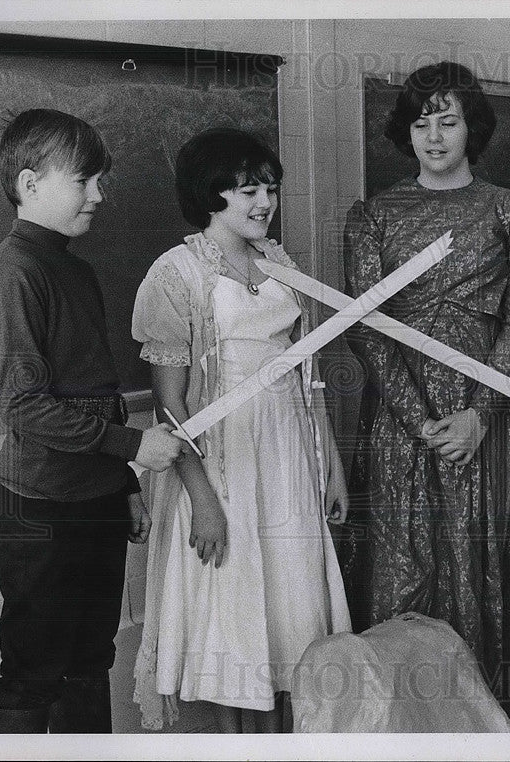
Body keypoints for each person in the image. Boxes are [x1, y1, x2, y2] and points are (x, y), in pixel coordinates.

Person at [340, 61, 510, 726]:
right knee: (405, 553)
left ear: (471, 126)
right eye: (422, 121)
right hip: (403, 415)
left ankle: (480, 716)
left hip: (482, 411)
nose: (434, 134)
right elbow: (366, 329)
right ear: (407, 129)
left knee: (475, 548)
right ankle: (401, 718)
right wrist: (420, 419)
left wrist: (479, 416)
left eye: (448, 120)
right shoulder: (374, 214)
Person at [131, 127, 351, 733]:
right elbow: (170, 409)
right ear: (209, 194)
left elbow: (308, 372)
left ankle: (282, 734)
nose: (263, 203)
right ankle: (236, 741)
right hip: (222, 458)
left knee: (291, 593)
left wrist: (328, 460)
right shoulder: (175, 274)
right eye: (246, 190)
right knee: (233, 597)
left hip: (288, 452)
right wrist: (201, 497)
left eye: (270, 189)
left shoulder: (279, 261)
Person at [0, 109, 185, 733]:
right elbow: (25, 406)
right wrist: (132, 447)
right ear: (29, 183)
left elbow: (95, 392)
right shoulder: (15, 271)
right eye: (84, 180)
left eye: (100, 179)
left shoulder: (77, 267)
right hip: (39, 503)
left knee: (91, 657)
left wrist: (121, 484)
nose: (99, 195)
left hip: (95, 497)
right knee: (34, 670)